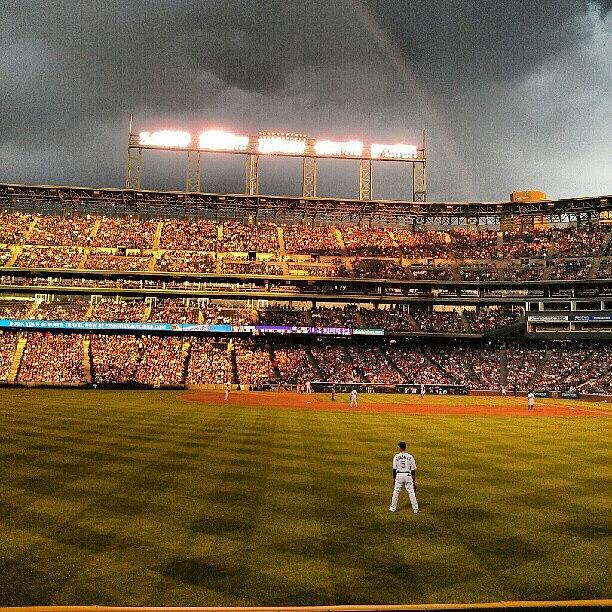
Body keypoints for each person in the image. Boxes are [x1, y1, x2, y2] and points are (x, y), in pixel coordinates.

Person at [389, 441, 420, 514]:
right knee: (411, 492)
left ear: (400, 448)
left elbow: (394, 469)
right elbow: (413, 470)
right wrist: (414, 480)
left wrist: (394, 479)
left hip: (399, 475)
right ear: (405, 447)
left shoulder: (396, 456)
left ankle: (392, 508)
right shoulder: (410, 457)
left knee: (396, 492)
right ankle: (415, 509)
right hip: (408, 475)